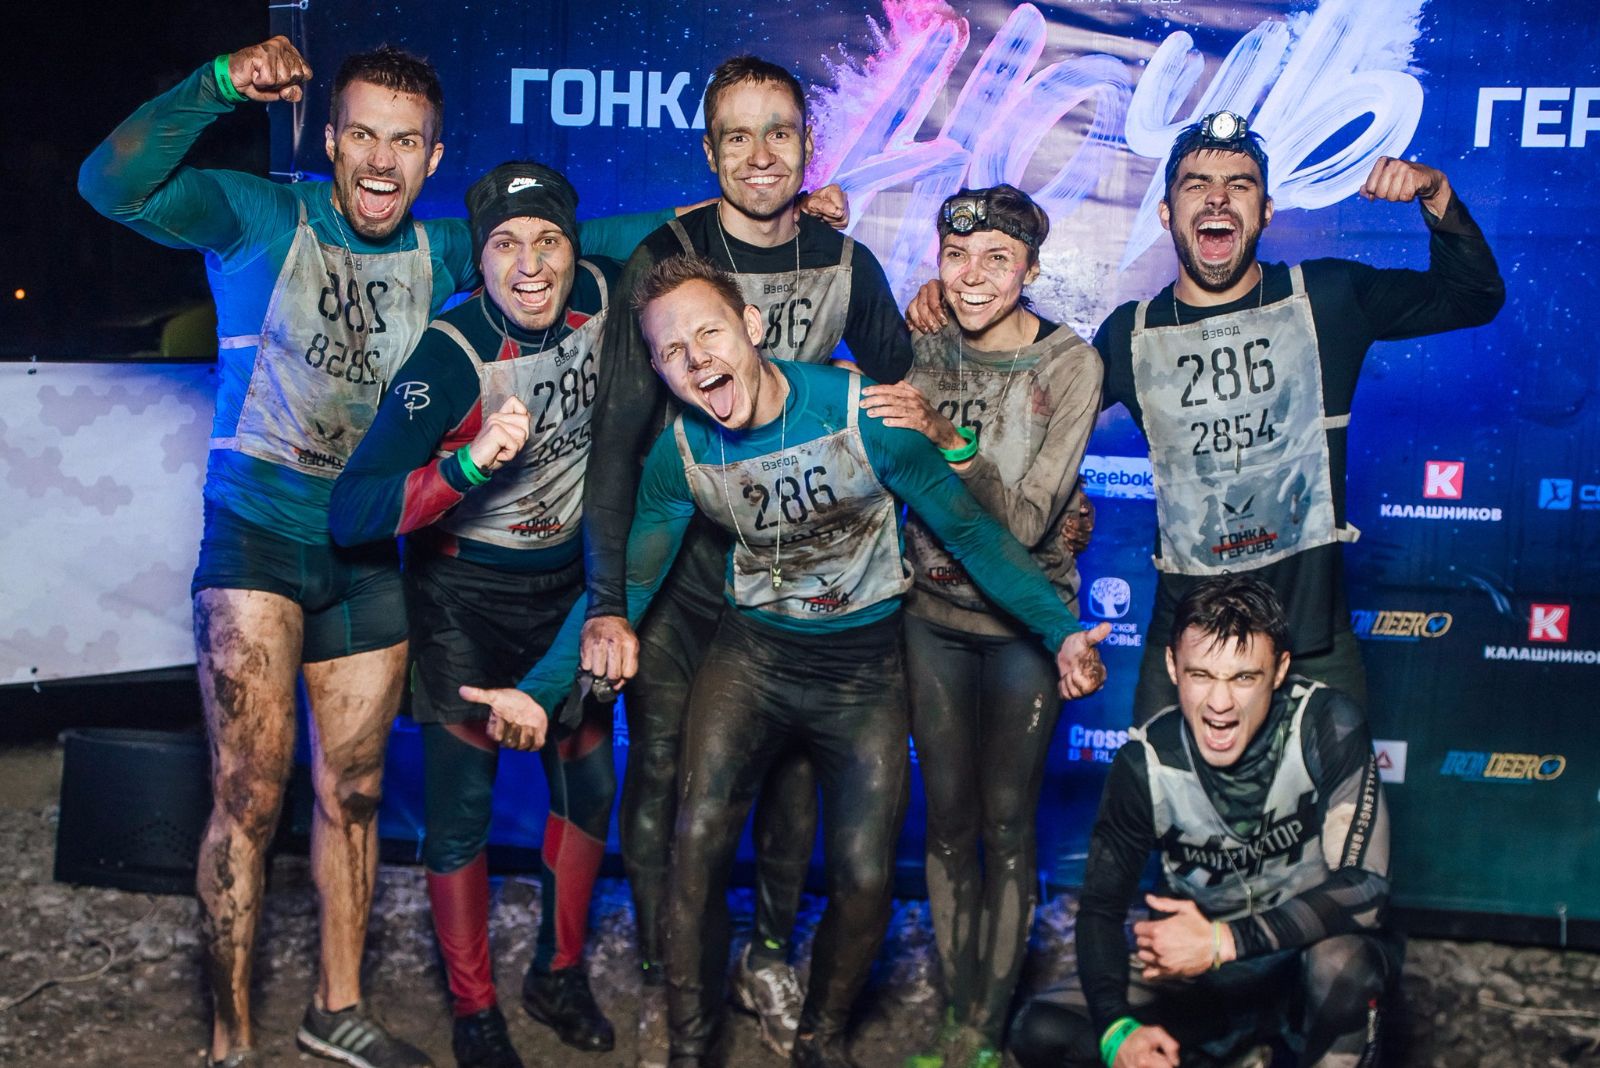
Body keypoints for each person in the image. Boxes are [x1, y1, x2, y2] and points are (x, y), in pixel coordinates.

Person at [79, 37, 671, 1068]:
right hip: (258, 541)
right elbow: (109, 184)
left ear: (433, 157)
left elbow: (618, 232)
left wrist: (776, 215)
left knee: (352, 793)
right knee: (249, 797)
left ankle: (336, 1008)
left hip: (367, 556)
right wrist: (218, 85)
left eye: (406, 142)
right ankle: (229, 1044)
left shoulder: (447, 251)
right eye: (363, 135)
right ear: (331, 139)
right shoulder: (260, 216)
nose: (382, 161)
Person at [460, 254, 1110, 1068]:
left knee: (866, 878)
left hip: (863, 674)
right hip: (753, 663)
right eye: (672, 352)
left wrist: (1059, 631)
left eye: (709, 334)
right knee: (695, 848)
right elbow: (625, 587)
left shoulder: (862, 416)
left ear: (753, 327)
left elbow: (973, 534)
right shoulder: (682, 455)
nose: (696, 359)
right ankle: (691, 1050)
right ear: (658, 372)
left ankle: (820, 1041)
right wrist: (538, 690)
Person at [906, 112, 1505, 724]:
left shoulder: (1328, 298)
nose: (1217, 197)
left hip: (1311, 640)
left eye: (1238, 185)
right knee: (1156, 784)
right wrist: (955, 314)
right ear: (1167, 214)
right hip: (1186, 642)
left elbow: (1474, 297)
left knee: (1336, 784)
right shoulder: (1129, 334)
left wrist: (1437, 194)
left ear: (1265, 212)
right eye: (1197, 184)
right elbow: (1029, 422)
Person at [577, 54, 913, 1063]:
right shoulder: (663, 255)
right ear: (710, 151)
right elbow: (615, 445)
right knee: (666, 775)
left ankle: (766, 955)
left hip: (796, 584)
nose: (761, 154)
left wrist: (939, 338)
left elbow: (904, 393)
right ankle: (668, 967)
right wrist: (608, 600)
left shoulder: (845, 262)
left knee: (794, 791)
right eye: (738, 135)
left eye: (780, 132)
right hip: (685, 579)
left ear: (810, 147)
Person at [330, 161, 624, 1067]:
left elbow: (694, 246)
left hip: (566, 590)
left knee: (590, 788)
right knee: (461, 811)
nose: (529, 265)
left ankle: (558, 975)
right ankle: (473, 1011)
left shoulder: (605, 296)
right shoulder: (448, 356)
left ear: (576, 249)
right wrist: (465, 465)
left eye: (548, 241)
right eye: (505, 245)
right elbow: (352, 510)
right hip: (463, 599)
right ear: (480, 257)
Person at [856, 185, 1103, 1068]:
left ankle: (987, 1035)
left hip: (1021, 635)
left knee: (1005, 825)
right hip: (928, 618)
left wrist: (944, 436)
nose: (972, 276)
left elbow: (1028, 524)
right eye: (956, 257)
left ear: (1031, 270)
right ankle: (957, 1021)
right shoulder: (921, 345)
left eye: (997, 260)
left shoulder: (1070, 365)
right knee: (947, 826)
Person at [1008, 574, 1395, 1068]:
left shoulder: (1325, 724)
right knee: (1042, 1031)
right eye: (1201, 675)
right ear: (1173, 666)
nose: (1219, 704)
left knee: (1344, 965)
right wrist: (1117, 1030)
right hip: (1205, 980)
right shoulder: (1145, 763)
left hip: (1301, 957)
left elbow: (1367, 888)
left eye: (1243, 678)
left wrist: (1222, 941)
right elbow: (1101, 910)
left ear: (1279, 671)